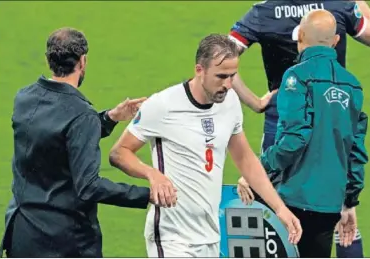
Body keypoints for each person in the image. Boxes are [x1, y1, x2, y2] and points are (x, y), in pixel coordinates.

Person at [108, 33, 302, 258]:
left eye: (233, 76)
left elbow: (245, 158)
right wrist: (152, 174)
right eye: (221, 76)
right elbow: (119, 152)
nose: (228, 85)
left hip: (210, 235)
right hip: (172, 236)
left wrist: (280, 209)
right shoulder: (162, 105)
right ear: (199, 70)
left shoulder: (229, 102)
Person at [0, 27, 165, 258]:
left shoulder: (24, 97)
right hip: (65, 242)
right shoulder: (80, 114)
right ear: (83, 61)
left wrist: (109, 118)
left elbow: (54, 138)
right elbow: (89, 187)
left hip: (22, 234)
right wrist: (147, 195)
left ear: (49, 60)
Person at [231, 1, 370, 256]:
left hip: (293, 186)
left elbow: (294, 139)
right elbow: (356, 151)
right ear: (336, 40)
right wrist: (349, 201)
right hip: (330, 195)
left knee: (275, 237)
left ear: (301, 38)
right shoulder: (353, 86)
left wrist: (257, 170)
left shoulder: (295, 76)